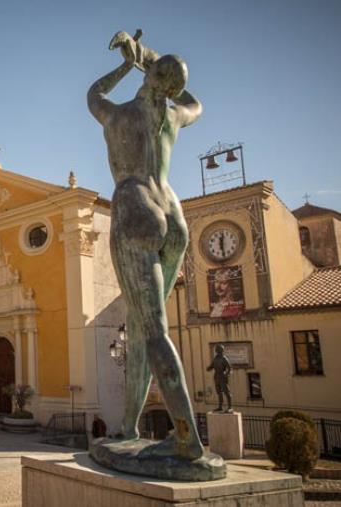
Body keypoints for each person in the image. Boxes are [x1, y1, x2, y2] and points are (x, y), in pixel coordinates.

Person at [88, 30, 204, 459]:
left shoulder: (117, 116)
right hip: (173, 214)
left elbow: (93, 92)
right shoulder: (173, 116)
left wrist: (128, 60)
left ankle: (189, 438)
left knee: (151, 328)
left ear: (148, 76)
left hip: (136, 205)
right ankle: (128, 426)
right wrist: (150, 59)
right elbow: (197, 103)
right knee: (142, 325)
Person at [206, 345, 232, 412]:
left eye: (218, 350)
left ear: (221, 351)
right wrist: (209, 368)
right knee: (219, 392)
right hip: (216, 377)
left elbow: (229, 368)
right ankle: (220, 406)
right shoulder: (215, 359)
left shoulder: (224, 359)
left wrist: (226, 374)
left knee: (226, 392)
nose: (217, 351)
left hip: (222, 377)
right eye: (217, 350)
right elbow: (211, 366)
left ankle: (230, 407)